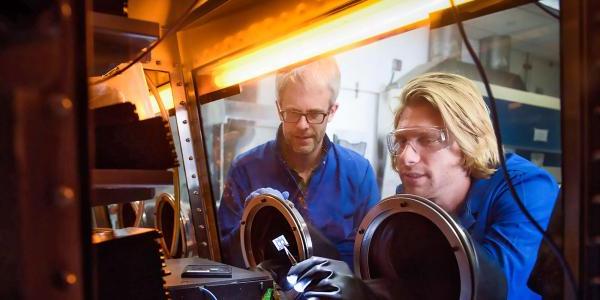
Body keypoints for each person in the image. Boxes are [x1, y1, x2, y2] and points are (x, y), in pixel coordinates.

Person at [287, 72, 559, 300]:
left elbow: (493, 289)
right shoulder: (411, 196)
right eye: (402, 141)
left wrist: (369, 292)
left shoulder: (525, 188)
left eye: (428, 139)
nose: (406, 157)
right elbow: (402, 275)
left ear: (469, 142)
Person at [217, 57, 381, 270]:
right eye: (293, 113)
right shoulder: (246, 169)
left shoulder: (359, 173)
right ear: (279, 109)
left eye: (314, 114)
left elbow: (370, 261)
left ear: (332, 111)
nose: (303, 125)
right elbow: (223, 257)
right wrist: (251, 224)